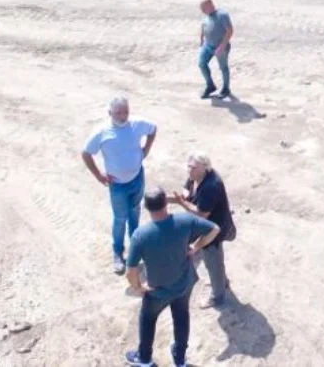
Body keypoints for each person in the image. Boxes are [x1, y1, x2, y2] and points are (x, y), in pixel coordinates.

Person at [123, 187, 220, 367]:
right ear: (166, 203)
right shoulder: (185, 220)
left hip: (157, 291)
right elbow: (214, 229)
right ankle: (180, 359)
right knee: (181, 316)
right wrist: (195, 247)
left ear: (147, 208)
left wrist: (138, 287)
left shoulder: (140, 235)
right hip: (184, 284)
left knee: (147, 319)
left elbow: (130, 271)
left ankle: (144, 358)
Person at [81, 96, 159, 275]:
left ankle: (136, 248)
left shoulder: (137, 124)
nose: (123, 116)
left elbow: (153, 129)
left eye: (126, 112)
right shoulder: (102, 132)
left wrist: (146, 149)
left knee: (135, 213)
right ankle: (117, 253)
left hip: (137, 178)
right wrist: (98, 175)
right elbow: (86, 153)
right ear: (109, 113)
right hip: (117, 185)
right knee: (120, 219)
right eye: (118, 113)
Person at [171, 153, 235, 308]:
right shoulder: (195, 177)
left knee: (213, 262)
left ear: (205, 168)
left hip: (214, 231)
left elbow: (201, 214)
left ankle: (217, 296)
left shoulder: (211, 186)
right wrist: (177, 198)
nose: (189, 170)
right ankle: (222, 282)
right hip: (203, 227)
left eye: (193, 168)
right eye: (188, 166)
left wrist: (182, 203)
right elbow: (186, 192)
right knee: (213, 262)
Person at [198, 0, 234, 99]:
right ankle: (210, 86)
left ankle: (226, 89)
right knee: (201, 64)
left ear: (210, 5)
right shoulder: (207, 17)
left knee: (223, 68)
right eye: (202, 9)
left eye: (203, 8)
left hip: (220, 47)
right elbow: (203, 26)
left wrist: (222, 46)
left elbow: (230, 30)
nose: (202, 11)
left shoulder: (222, 15)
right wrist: (201, 38)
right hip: (207, 46)